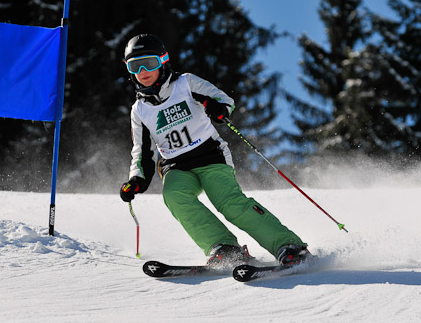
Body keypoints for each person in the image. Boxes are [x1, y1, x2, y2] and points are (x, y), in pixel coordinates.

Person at [119, 33, 309, 267]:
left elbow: (222, 98)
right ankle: (224, 247)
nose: (142, 72)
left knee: (228, 202)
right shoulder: (139, 110)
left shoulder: (186, 83)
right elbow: (142, 151)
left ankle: (288, 245)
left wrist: (218, 107)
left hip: (210, 155)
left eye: (148, 63)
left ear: (162, 61)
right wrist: (136, 179)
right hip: (175, 165)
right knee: (174, 196)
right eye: (134, 66)